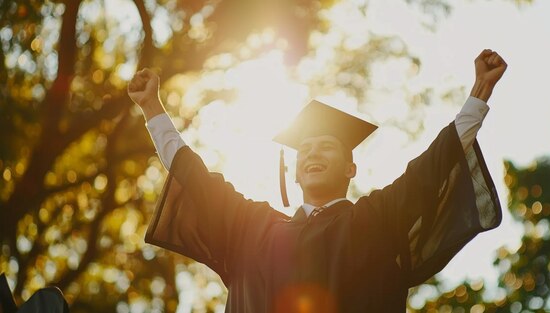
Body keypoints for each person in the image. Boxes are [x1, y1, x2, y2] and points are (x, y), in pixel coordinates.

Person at [128, 49, 507, 312]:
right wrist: (152, 109)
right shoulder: (252, 227)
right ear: (294, 172)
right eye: (305, 149)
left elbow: (431, 169)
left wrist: (479, 93)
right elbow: (195, 178)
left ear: (350, 168)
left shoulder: (374, 220)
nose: (312, 154)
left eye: (327, 146)